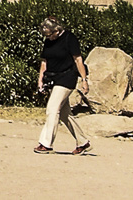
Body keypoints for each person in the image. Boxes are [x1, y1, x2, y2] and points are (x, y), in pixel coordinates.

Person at [35, 16, 91, 155]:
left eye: (50, 34)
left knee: (52, 108)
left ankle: (46, 144)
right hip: (53, 78)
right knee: (65, 114)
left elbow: (78, 60)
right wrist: (40, 80)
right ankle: (83, 142)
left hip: (67, 77)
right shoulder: (48, 41)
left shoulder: (69, 38)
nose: (49, 37)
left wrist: (84, 79)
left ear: (57, 30)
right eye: (46, 35)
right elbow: (44, 62)